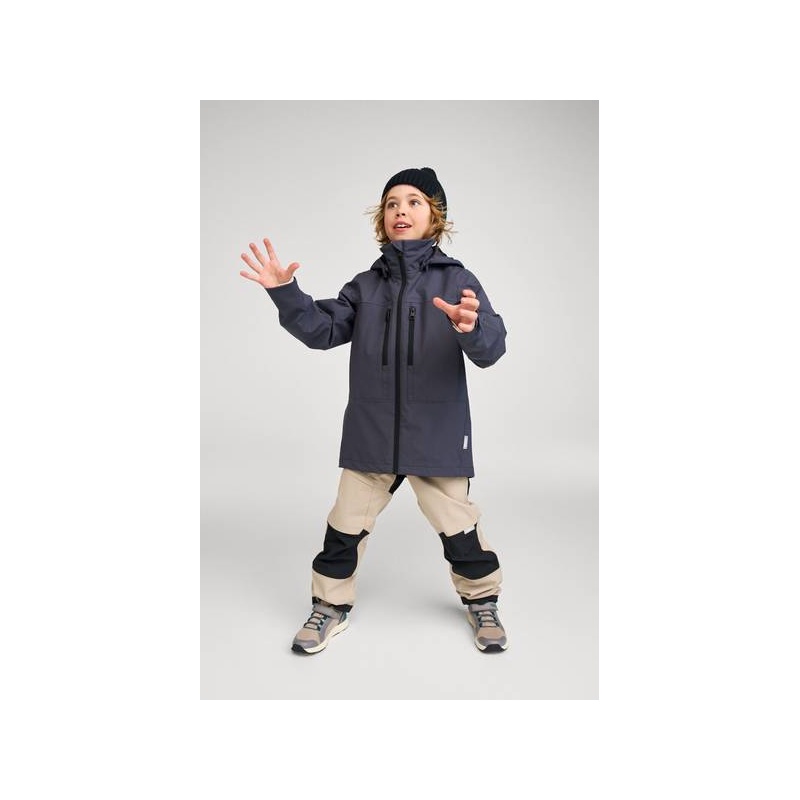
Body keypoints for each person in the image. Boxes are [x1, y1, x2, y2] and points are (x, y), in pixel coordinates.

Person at [239, 167, 509, 654]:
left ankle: (482, 600)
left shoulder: (458, 280)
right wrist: (285, 293)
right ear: (381, 219)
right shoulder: (365, 286)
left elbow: (492, 349)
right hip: (371, 432)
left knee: (460, 531)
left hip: (436, 432)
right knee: (343, 528)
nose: (400, 210)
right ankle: (330, 606)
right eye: (391, 204)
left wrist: (470, 328)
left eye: (414, 202)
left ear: (435, 216)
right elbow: (322, 330)